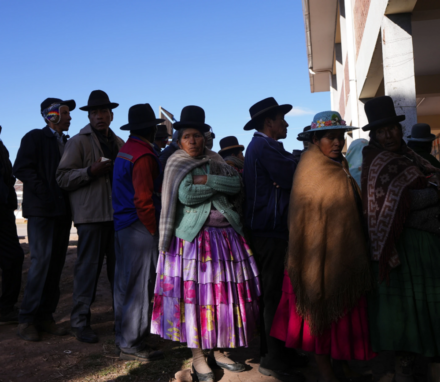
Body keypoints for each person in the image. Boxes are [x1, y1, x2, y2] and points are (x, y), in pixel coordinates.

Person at [151, 106, 260, 382]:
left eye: (197, 135)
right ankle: (198, 355)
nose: (192, 141)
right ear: (178, 140)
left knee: (221, 297)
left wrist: (206, 178)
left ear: (205, 137)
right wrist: (218, 183)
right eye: (187, 136)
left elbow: (236, 185)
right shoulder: (176, 162)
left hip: (225, 240)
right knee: (195, 299)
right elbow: (186, 194)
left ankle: (219, 348)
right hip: (191, 244)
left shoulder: (215, 158)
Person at [270, 111, 375, 382]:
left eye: (341, 136)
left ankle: (343, 364)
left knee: (342, 314)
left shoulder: (339, 166)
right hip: (312, 259)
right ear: (316, 139)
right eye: (331, 137)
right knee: (319, 314)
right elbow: (305, 221)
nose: (338, 142)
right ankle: (326, 370)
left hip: (343, 255)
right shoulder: (310, 170)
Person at [361, 96, 440, 381]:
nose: (388, 135)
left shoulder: (409, 156)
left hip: (424, 247)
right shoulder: (376, 161)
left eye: (392, 128)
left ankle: (431, 361)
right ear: (374, 135)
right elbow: (392, 203)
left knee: (429, 306)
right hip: (395, 252)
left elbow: (427, 182)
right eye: (381, 131)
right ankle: (404, 365)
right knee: (402, 309)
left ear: (399, 129)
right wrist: (433, 194)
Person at [242, 97, 305, 380]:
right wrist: (295, 166)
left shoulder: (267, 146)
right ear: (269, 122)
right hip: (269, 230)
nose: (286, 123)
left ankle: (282, 352)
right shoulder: (264, 146)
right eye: (282, 119)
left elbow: (289, 173)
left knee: (278, 294)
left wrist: (291, 164)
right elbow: (293, 177)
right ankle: (272, 358)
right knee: (273, 295)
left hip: (272, 229)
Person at [56, 90, 124, 343]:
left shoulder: (118, 143)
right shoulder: (78, 141)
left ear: (111, 115)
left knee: (119, 272)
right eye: (94, 112)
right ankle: (80, 322)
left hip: (117, 218)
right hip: (91, 218)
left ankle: (123, 322)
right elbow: (62, 178)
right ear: (89, 116)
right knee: (87, 271)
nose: (99, 116)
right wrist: (89, 171)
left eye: (103, 112)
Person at [13, 97, 74, 341]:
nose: (70, 117)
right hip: (42, 212)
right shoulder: (34, 137)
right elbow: (22, 168)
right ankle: (27, 320)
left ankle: (45, 317)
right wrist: (46, 194)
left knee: (56, 265)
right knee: (40, 264)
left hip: (62, 212)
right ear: (52, 115)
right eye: (66, 113)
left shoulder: (67, 143)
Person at [112, 104, 164, 361]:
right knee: (141, 287)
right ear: (152, 129)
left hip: (123, 225)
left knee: (124, 284)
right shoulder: (143, 155)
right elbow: (143, 200)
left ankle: (122, 336)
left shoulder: (126, 150)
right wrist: (154, 231)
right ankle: (132, 343)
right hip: (139, 226)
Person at [0, 125, 24, 325]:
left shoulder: (1, 147)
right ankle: (6, 308)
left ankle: (6, 308)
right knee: (13, 257)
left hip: (4, 210)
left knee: (13, 258)